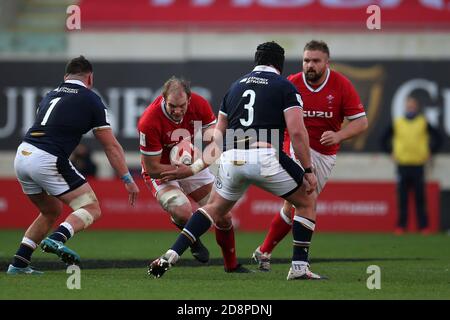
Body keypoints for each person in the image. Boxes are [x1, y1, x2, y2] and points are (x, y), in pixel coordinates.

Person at [148, 41, 326, 280]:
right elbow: (296, 132)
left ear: (256, 61)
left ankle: (172, 253)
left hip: (231, 157)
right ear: (279, 64)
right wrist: (307, 169)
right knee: (307, 200)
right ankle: (299, 268)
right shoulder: (286, 87)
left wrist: (192, 169)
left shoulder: (234, 88)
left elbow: (218, 140)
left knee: (214, 208)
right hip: (264, 154)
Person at [7, 56, 139, 275]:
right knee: (91, 208)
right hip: (47, 158)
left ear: (65, 76)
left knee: (51, 210)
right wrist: (127, 178)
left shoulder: (50, 95)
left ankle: (19, 263)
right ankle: (57, 238)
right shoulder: (91, 99)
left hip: (23, 155)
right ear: (90, 78)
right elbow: (111, 146)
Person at [252, 40, 368, 271]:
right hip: (294, 148)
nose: (310, 65)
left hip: (325, 153)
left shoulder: (341, 85)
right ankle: (296, 264)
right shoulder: (291, 83)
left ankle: (264, 251)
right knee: (304, 200)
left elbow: (362, 122)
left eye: (315, 61)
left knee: (293, 205)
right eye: (306, 60)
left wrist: (339, 136)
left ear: (327, 62)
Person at [138, 77, 241, 271]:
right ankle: (193, 241)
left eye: (182, 106)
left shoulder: (200, 104)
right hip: (162, 170)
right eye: (172, 106)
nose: (177, 111)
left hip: (189, 162)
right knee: (182, 211)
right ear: (163, 99)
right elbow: (151, 167)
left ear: (190, 99)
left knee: (224, 216)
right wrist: (178, 172)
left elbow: (216, 144)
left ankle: (232, 265)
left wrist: (192, 169)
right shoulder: (149, 121)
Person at [381, 95, 442, 235]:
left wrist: (430, 151)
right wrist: (390, 152)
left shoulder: (423, 122)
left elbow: (438, 138)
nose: (411, 107)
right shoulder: (398, 123)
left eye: (413, 105)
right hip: (402, 165)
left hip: (418, 165)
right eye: (408, 105)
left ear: (417, 106)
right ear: (405, 106)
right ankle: (401, 226)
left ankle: (423, 227)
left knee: (420, 197)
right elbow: (383, 139)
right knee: (402, 198)